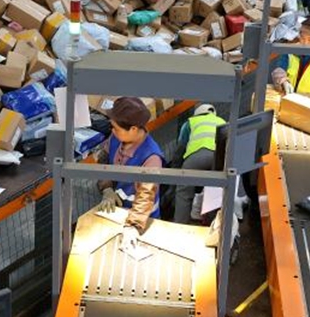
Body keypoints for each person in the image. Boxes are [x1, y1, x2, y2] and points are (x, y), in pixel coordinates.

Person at [97, 96, 165, 241]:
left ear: (133, 129)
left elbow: (146, 195)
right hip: (118, 214)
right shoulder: (117, 137)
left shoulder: (151, 158)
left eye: (116, 128)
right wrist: (107, 188)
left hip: (143, 221)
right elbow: (104, 162)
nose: (113, 131)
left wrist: (134, 227)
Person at [173, 103, 227, 224]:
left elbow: (180, 148)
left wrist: (176, 169)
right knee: (215, 193)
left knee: (184, 192)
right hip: (218, 158)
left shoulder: (190, 122)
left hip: (195, 158)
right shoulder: (222, 121)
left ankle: (180, 226)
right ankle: (212, 227)